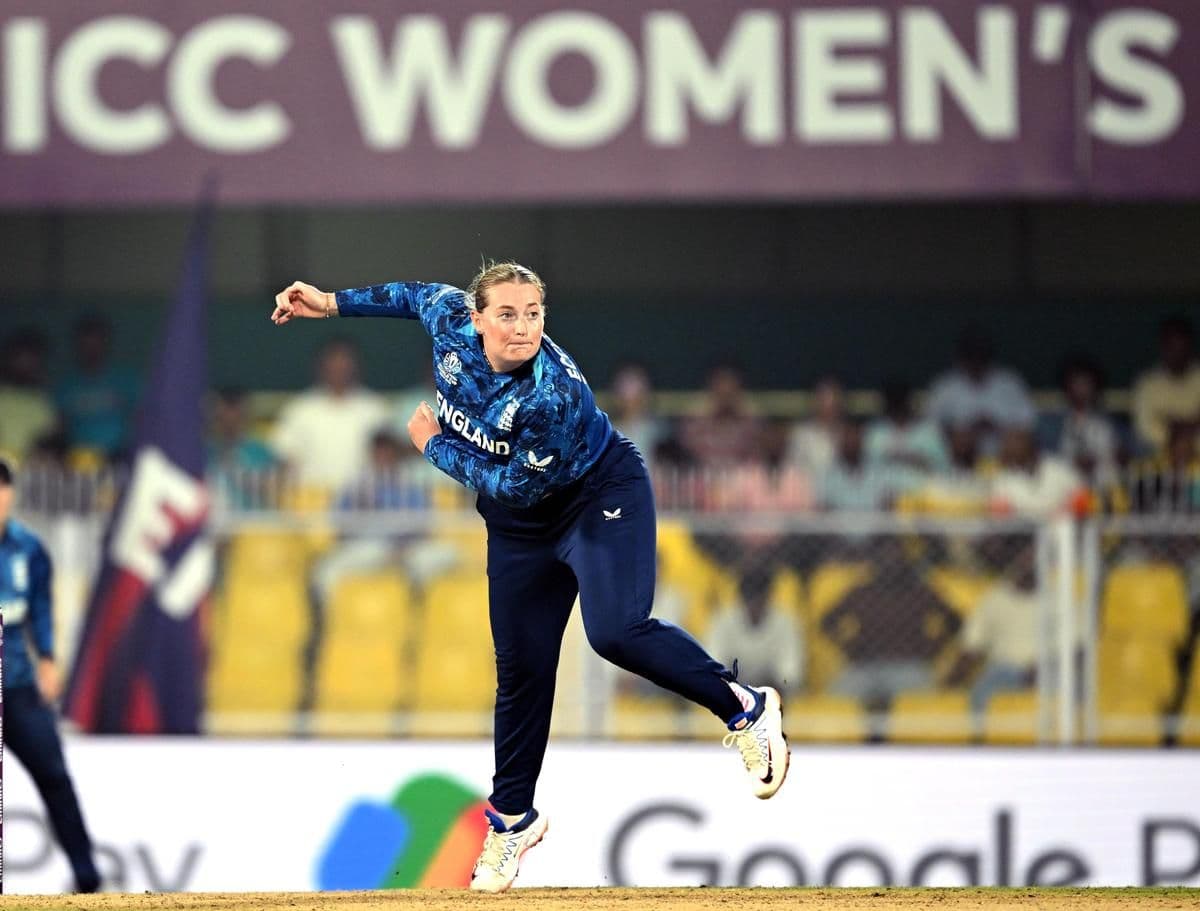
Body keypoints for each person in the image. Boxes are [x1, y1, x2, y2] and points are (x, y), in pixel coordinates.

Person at [271, 263, 789, 893]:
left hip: (594, 497)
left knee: (616, 632)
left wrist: (434, 447)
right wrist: (326, 303)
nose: (523, 329)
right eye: (509, 314)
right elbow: (405, 296)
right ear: (477, 316)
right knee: (521, 670)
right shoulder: (447, 315)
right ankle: (512, 820)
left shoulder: (551, 394)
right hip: (518, 528)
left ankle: (744, 707)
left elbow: (518, 483)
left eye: (534, 314)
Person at [0, 457, 101, 893]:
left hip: (18, 685)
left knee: (55, 776)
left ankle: (87, 876)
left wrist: (47, 658)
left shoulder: (28, 549)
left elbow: (39, 607)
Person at [271, 337, 389, 491]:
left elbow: (388, 462)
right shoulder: (299, 410)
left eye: (344, 363)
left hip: (364, 502)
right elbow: (285, 459)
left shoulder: (375, 409)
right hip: (311, 503)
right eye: (333, 363)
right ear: (321, 367)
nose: (339, 369)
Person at [925, 327, 1036, 455]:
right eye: (971, 355)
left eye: (981, 355)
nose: (976, 361)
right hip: (959, 461)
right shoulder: (944, 386)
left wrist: (995, 427)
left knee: (1017, 441)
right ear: (961, 357)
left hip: (1004, 457)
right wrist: (967, 430)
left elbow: (1029, 425)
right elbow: (930, 428)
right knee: (961, 438)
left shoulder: (1010, 383)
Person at [54, 314, 140, 463]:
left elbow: (139, 419)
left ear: (106, 344)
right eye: (86, 344)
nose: (91, 349)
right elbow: (60, 425)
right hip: (78, 458)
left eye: (96, 343)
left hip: (118, 455)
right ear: (77, 346)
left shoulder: (125, 379)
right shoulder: (66, 384)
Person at [1132, 316, 1200, 454]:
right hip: (1158, 457)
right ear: (1163, 347)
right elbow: (1144, 429)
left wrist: (1172, 423)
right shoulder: (1147, 383)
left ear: (1190, 347)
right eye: (1172, 347)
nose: (1177, 354)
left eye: (1182, 347)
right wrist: (1177, 430)